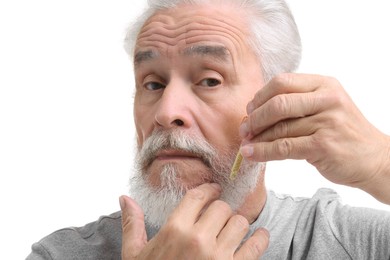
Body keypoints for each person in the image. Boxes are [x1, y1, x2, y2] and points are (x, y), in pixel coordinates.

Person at [27, 0, 390, 259]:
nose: (167, 113)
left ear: (277, 100)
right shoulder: (58, 255)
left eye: (209, 80)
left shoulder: (353, 243)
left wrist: (381, 166)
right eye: (152, 84)